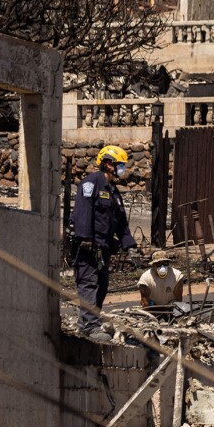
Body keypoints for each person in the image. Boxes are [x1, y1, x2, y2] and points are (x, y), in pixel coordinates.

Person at [72, 145, 137, 341]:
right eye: (120, 165)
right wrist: (85, 238)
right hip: (88, 247)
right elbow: (83, 211)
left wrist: (130, 246)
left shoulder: (113, 192)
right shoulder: (90, 183)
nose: (122, 169)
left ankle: (91, 322)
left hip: (104, 248)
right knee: (88, 284)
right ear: (108, 164)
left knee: (102, 285)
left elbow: (121, 222)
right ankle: (89, 326)